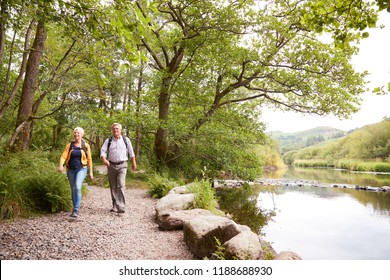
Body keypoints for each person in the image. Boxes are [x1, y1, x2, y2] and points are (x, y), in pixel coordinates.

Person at [100, 123, 137, 213]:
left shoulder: (125, 140)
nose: (116, 130)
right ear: (112, 130)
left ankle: (121, 206)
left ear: (120, 130)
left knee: (121, 184)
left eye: (117, 129)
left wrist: (133, 163)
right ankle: (115, 205)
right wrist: (104, 159)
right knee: (113, 186)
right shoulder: (108, 140)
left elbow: (131, 153)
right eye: (114, 129)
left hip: (122, 165)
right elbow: (103, 151)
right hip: (111, 165)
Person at [59, 127, 94, 218]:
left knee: (77, 187)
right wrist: (61, 165)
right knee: (73, 189)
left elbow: (89, 159)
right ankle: (74, 207)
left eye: (78, 133)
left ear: (82, 135)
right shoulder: (69, 145)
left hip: (81, 169)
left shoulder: (86, 145)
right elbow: (63, 156)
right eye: (75, 133)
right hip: (70, 170)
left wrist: (90, 172)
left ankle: (76, 209)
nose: (76, 135)